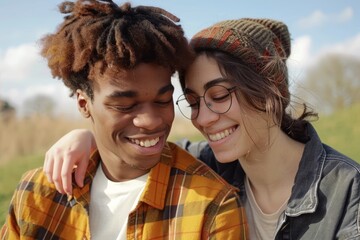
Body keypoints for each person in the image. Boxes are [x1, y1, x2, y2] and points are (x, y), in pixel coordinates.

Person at [42, 18, 359, 239]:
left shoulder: (347, 191)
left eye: (219, 96)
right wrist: (86, 136)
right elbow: (139, 147)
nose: (203, 119)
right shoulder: (206, 165)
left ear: (270, 90)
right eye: (193, 102)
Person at [0, 1, 249, 239]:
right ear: (84, 104)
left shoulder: (212, 207)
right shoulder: (37, 193)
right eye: (125, 105)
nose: (150, 121)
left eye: (163, 100)